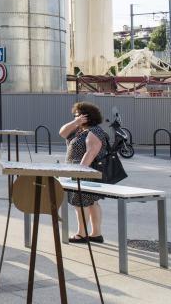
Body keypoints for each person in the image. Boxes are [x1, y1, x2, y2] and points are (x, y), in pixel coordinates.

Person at [59, 101, 108, 243]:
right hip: (80, 170)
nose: (75, 117)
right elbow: (62, 132)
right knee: (91, 202)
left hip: (84, 171)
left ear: (87, 116)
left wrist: (79, 173)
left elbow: (90, 153)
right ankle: (96, 234)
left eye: (78, 115)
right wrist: (75, 122)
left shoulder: (95, 132)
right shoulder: (79, 129)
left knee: (81, 203)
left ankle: (82, 234)